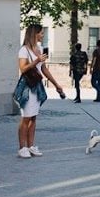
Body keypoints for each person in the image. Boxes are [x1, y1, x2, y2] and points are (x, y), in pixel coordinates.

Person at [16, 24, 67, 157]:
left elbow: (43, 69)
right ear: (34, 34)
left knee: (33, 117)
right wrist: (37, 60)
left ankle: (31, 145)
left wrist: (56, 85)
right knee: (26, 117)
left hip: (37, 86)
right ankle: (22, 147)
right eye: (41, 33)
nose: (43, 35)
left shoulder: (40, 48)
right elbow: (23, 68)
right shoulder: (24, 50)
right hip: (27, 86)